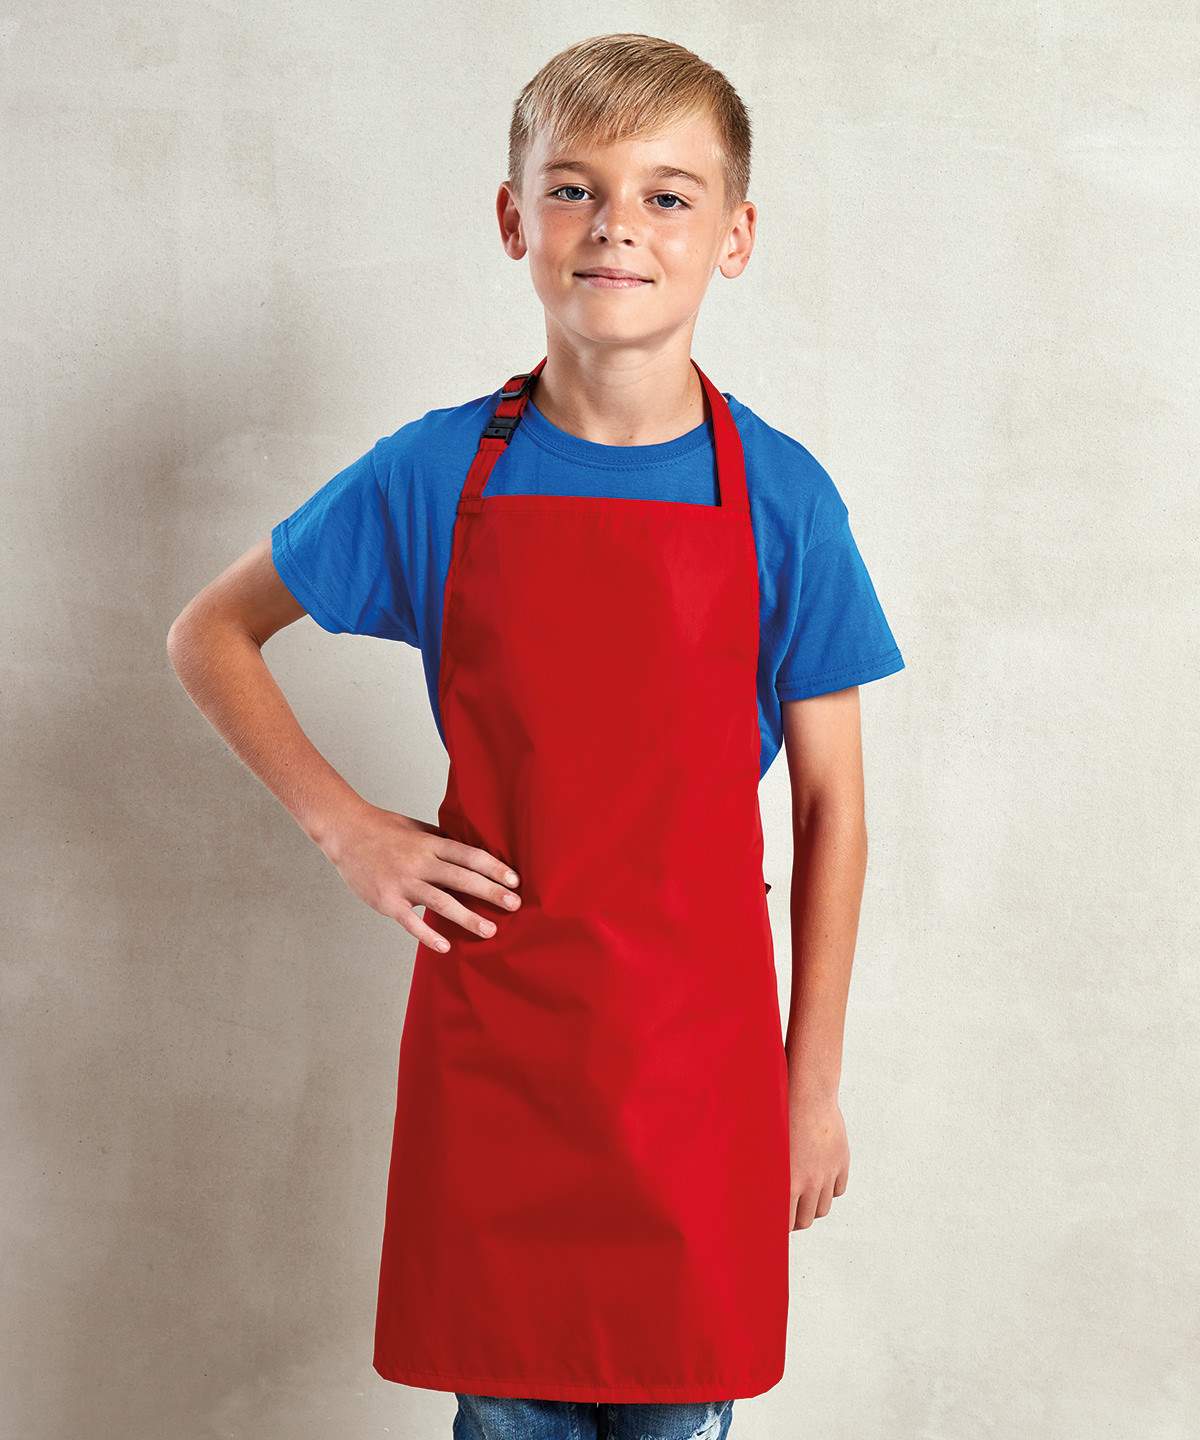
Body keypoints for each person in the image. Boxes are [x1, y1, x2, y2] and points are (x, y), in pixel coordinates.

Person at [167, 31, 906, 1440]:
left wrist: (808, 1089)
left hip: (698, 1071)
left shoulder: (785, 500)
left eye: (668, 195)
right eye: (575, 189)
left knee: (678, 1421)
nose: (618, 225)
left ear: (735, 236)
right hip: (498, 1055)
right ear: (516, 219)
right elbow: (210, 633)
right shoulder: (437, 469)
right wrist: (348, 828)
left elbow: (835, 812)